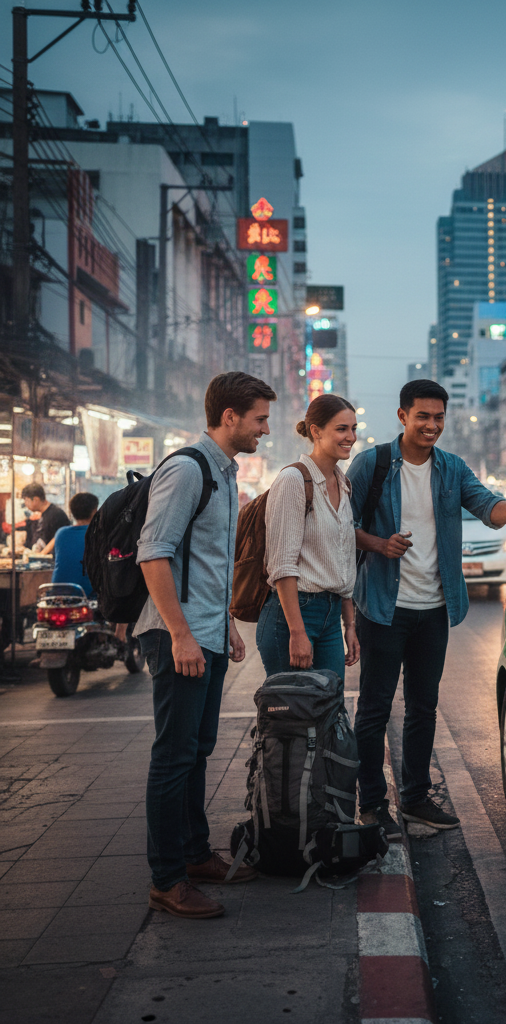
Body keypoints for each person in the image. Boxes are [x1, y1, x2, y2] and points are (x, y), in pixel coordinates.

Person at [349, 379, 506, 838]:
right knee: (375, 709)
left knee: (424, 706)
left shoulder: (452, 468)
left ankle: (417, 799)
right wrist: (380, 543)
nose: (432, 425)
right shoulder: (373, 464)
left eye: (439, 418)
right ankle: (373, 803)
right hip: (383, 605)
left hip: (434, 607)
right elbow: (342, 523)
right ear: (403, 416)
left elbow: (488, 509)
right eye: (423, 416)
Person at [136, 371, 276, 920]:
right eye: (260, 419)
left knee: (197, 751)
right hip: (179, 637)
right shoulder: (187, 470)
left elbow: (209, 563)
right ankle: (167, 878)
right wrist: (181, 634)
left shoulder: (225, 472)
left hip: (206, 633)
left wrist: (224, 626)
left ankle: (194, 856)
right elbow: (154, 553)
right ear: (229, 418)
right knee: (172, 758)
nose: (266, 428)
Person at [257, 394, 360, 677]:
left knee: (330, 709)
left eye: (353, 428)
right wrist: (297, 632)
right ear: (316, 431)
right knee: (294, 714)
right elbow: (282, 565)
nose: (350, 436)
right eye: (341, 429)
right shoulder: (293, 480)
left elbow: (344, 560)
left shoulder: (343, 483)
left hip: (331, 614)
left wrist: (349, 625)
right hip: (292, 615)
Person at [51, 492, 99, 596]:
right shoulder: (98, 533)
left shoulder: (61, 533)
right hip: (86, 596)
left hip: (57, 594)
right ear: (95, 511)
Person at [20, 483, 70, 553]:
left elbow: (59, 538)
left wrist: (42, 554)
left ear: (35, 500)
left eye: (27, 500)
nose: (25, 504)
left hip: (53, 561)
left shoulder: (56, 514)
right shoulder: (39, 516)